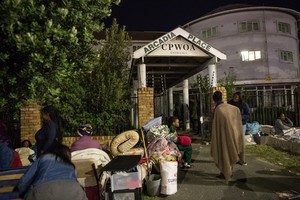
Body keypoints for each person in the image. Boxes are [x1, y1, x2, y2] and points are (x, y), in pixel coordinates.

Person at [16, 142, 87, 200]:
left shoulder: (45, 157)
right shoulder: (71, 165)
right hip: (74, 190)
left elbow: (24, 181)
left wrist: (21, 193)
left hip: (44, 190)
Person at [211, 91, 246, 183]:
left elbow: (215, 124)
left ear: (213, 99)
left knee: (224, 152)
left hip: (223, 134)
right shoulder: (233, 108)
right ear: (222, 97)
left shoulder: (218, 109)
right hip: (234, 133)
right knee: (232, 150)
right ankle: (229, 171)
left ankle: (225, 172)